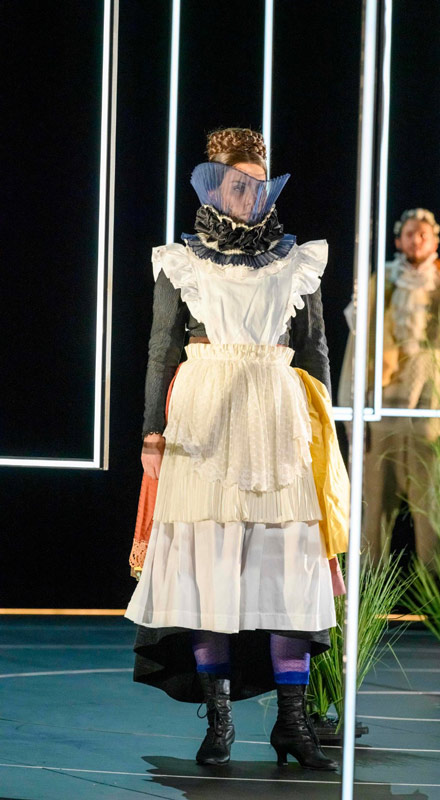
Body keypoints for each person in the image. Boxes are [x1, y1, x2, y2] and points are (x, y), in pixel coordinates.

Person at [125, 128, 348, 771]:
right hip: (204, 421)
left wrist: (326, 438)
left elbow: (315, 353)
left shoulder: (295, 260)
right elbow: (161, 349)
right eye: (235, 182)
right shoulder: (182, 261)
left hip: (278, 419)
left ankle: (293, 723)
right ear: (214, 185)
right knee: (208, 569)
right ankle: (219, 721)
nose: (246, 194)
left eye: (255, 184)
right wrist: (151, 434)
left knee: (289, 569)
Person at [338, 208, 440, 566]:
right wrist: (352, 413)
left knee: (435, 518)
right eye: (410, 234)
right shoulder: (379, 286)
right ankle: (365, 594)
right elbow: (356, 353)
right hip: (383, 412)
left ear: (434, 241)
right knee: (371, 516)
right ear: (398, 240)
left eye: (423, 234)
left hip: (431, 418)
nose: (416, 240)